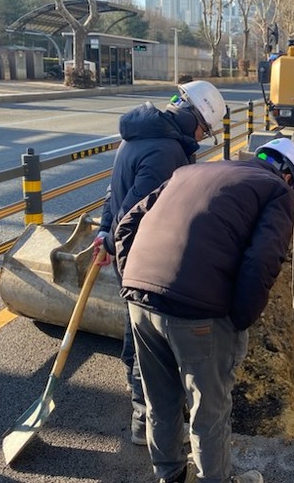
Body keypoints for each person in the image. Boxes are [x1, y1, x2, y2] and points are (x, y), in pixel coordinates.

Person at [113, 137, 294, 483]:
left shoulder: (192, 172)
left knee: (160, 399)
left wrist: (133, 280)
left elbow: (126, 223)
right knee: (209, 412)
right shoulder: (278, 191)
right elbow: (263, 260)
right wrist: (238, 319)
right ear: (290, 177)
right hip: (196, 311)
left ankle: (169, 476)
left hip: (140, 299)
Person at [92, 80, 226, 447]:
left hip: (128, 254)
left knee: (135, 330)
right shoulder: (167, 151)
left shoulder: (139, 136)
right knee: (149, 345)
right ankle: (145, 420)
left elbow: (113, 192)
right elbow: (136, 210)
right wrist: (114, 239)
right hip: (143, 257)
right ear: (192, 118)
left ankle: (141, 402)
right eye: (204, 129)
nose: (201, 137)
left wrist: (104, 231)